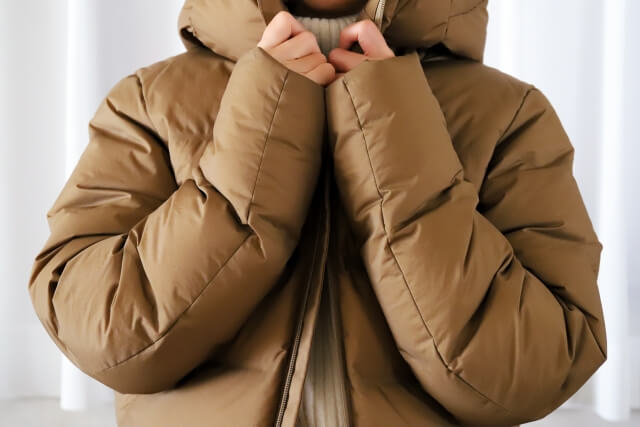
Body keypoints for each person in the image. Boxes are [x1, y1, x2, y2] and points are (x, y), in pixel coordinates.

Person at [27, 0, 607, 426]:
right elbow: (105, 334)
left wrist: (396, 133)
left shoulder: (508, 113)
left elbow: (538, 368)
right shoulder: (150, 101)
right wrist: (262, 132)